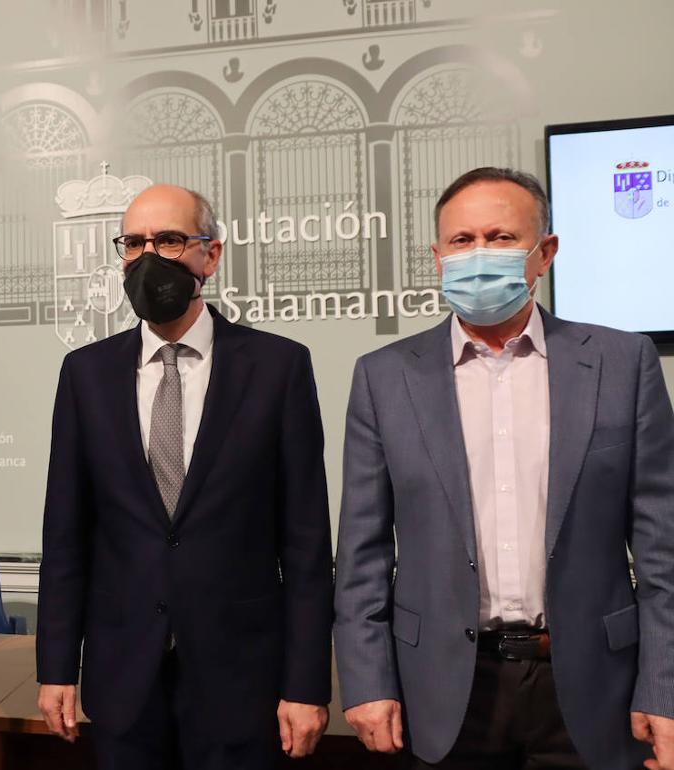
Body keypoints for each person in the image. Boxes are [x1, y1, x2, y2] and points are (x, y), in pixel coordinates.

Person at [334, 166, 674, 770]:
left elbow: (662, 548)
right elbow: (361, 553)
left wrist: (665, 686)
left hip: (594, 686)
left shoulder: (624, 363)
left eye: (500, 237)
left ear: (544, 254)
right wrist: (365, 679)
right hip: (442, 689)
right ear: (437, 257)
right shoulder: (384, 377)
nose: (479, 254)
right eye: (462, 241)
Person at [36, 184, 335, 769]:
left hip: (241, 679)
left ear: (211, 256)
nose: (150, 258)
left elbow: (305, 544)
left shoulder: (278, 367)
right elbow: (66, 536)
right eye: (135, 243)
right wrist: (55, 669)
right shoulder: (85, 374)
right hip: (123, 676)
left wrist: (306, 684)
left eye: (169, 240)